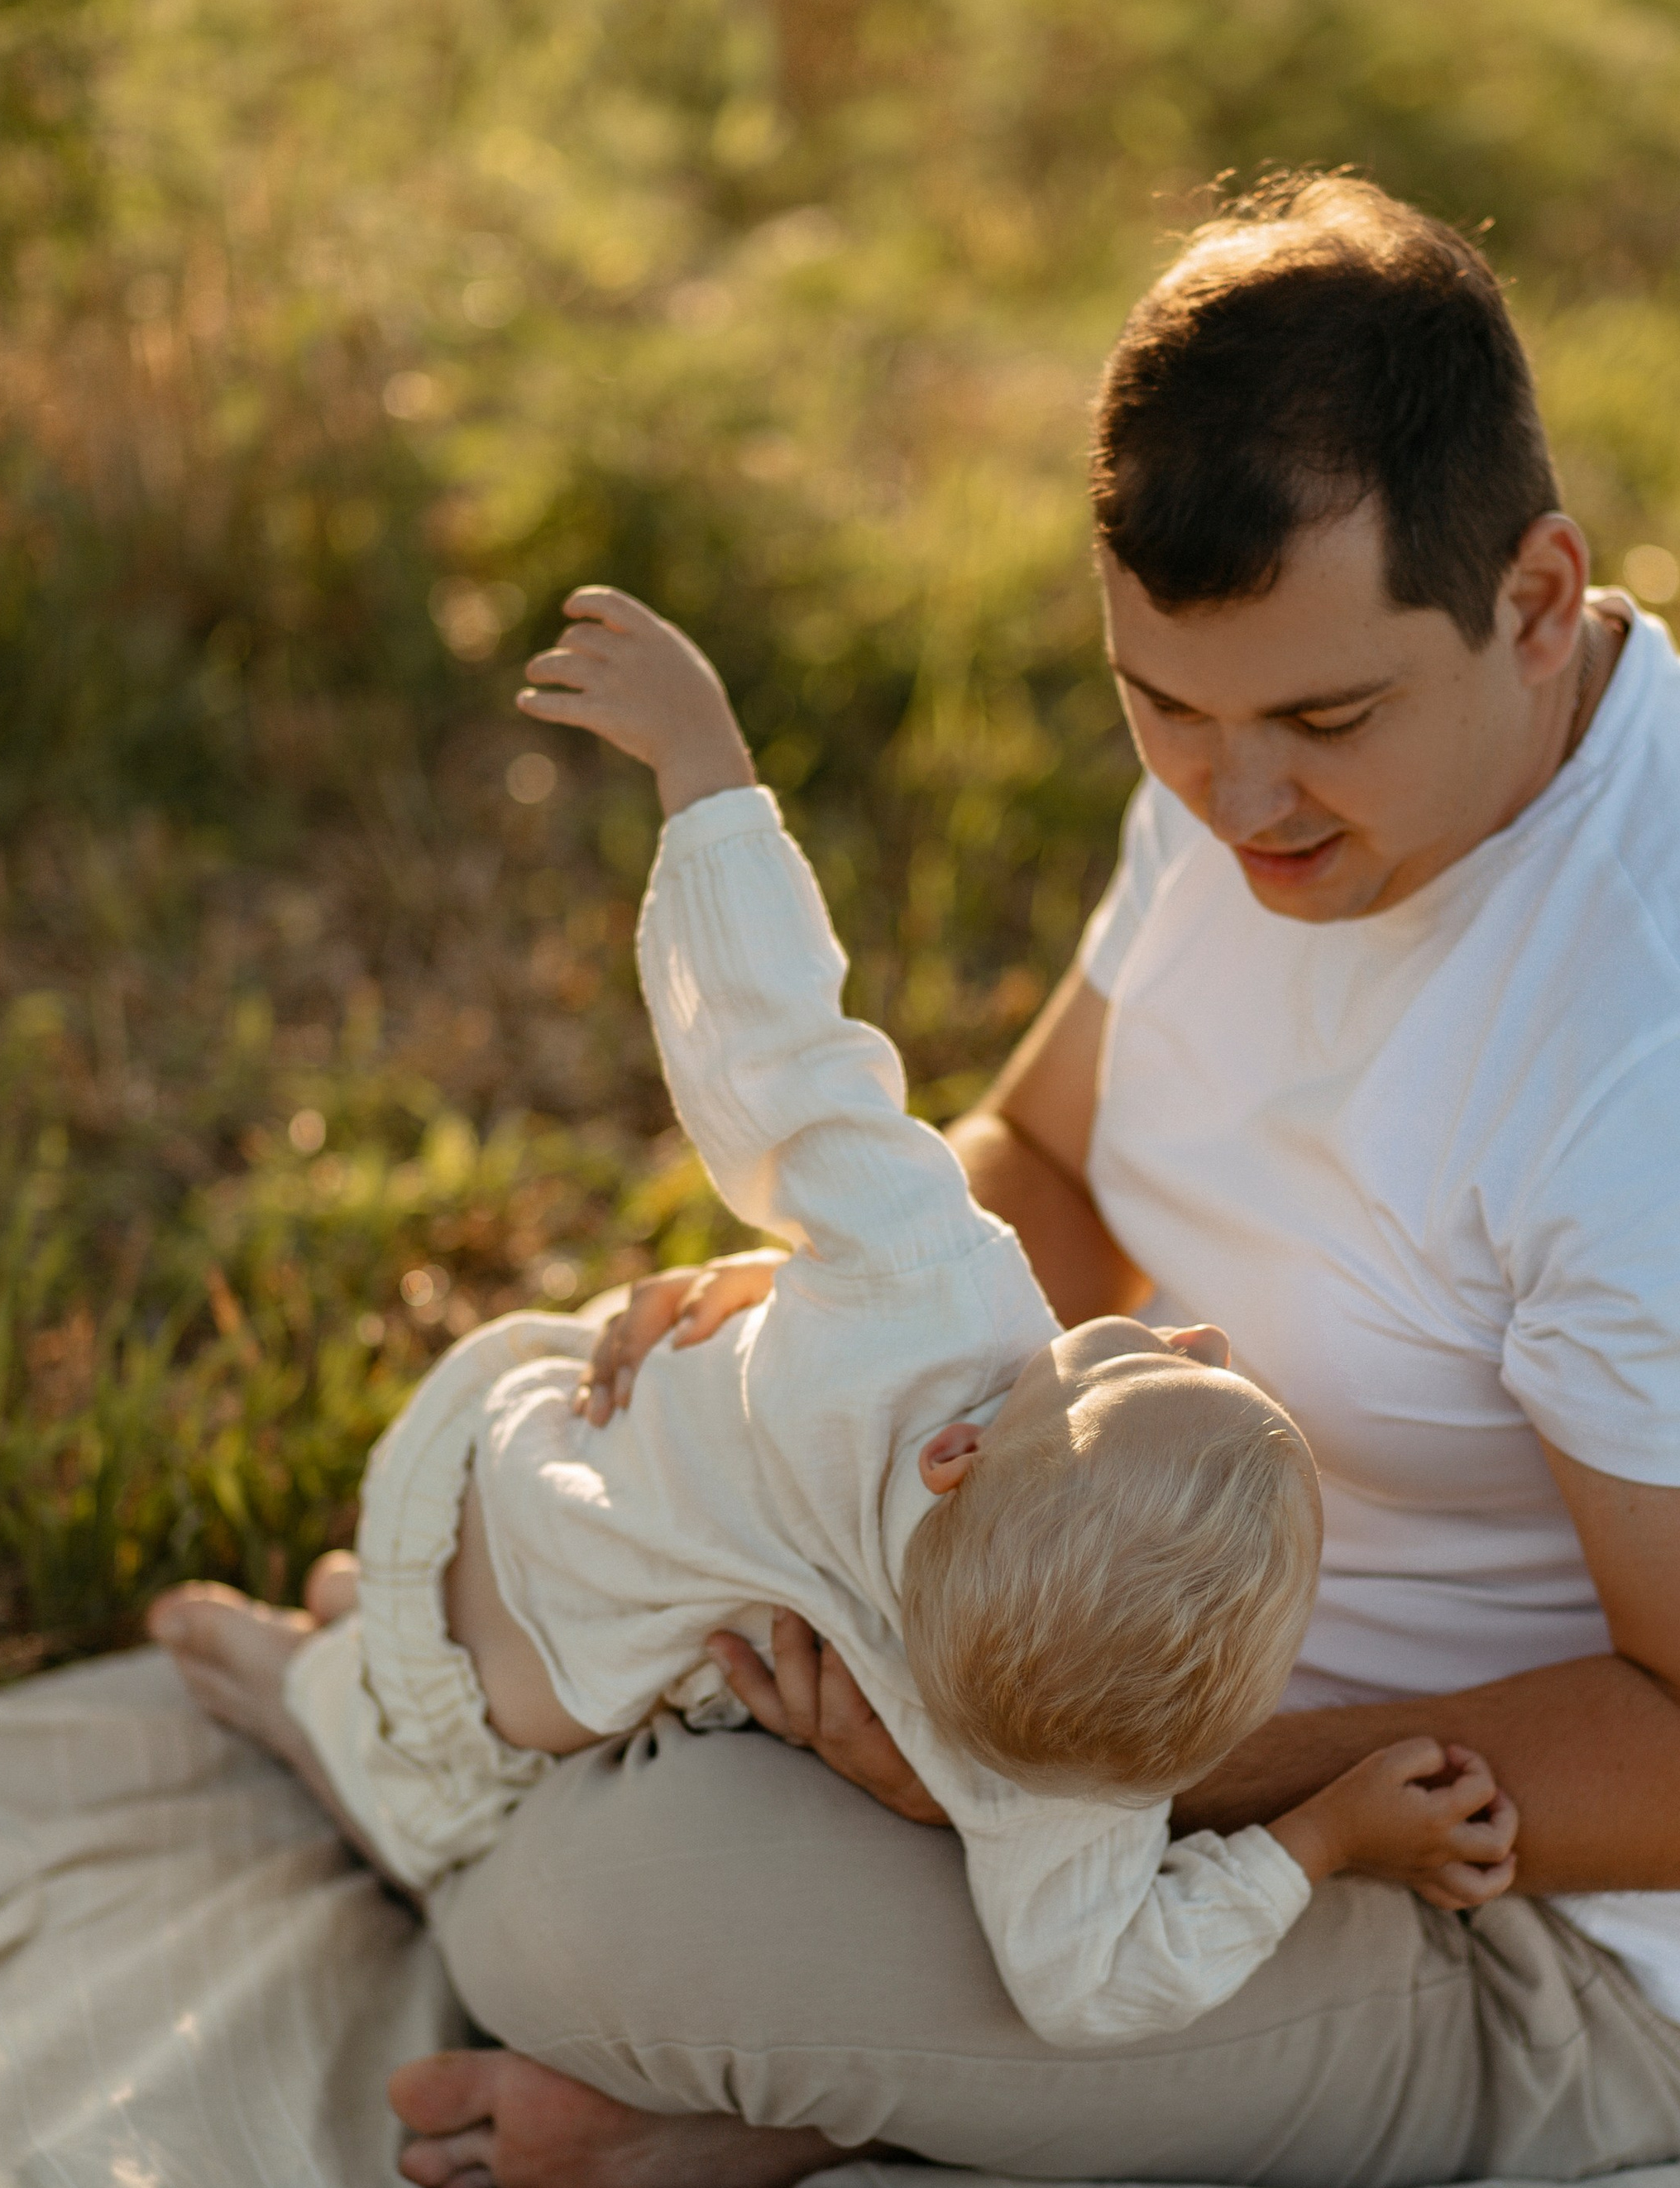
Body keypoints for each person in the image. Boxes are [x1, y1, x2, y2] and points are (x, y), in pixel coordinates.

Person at [212, 170, 1680, 2188]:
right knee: (554, 1465)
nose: (1234, 801)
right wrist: (819, 1338)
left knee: (597, 1916)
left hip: (1530, 1931)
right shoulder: (1281, 792)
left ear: (1533, 599)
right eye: (1162, 706)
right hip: (1094, 1624)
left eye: (1320, 719)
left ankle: (797, 2100)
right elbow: (1054, 1164)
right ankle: (702, 1900)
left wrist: (1037, 1773)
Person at [149, 587, 1520, 2052]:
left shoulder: (935, 1288)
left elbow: (780, 1046)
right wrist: (1316, 1838)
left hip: (497, 1470)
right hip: (501, 1680)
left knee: (408, 1686)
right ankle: (320, 1670)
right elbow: (1094, 1986)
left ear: (960, 1451)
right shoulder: (1047, 1771)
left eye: (1140, 1363)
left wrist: (708, 774)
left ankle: (327, 1660)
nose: (1201, 1338)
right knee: (455, 1745)